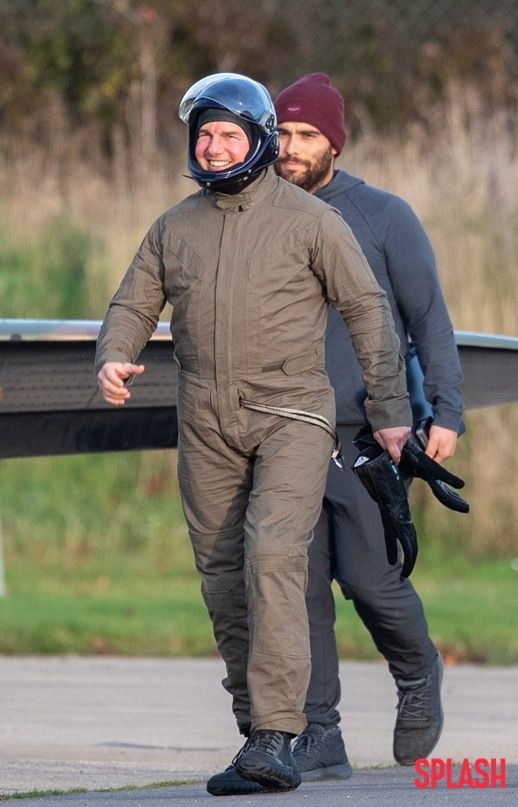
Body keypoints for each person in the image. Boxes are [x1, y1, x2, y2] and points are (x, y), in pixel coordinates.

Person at [95, 72, 412, 796]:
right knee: (222, 575)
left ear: (260, 140)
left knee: (271, 552)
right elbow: (132, 304)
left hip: (292, 414)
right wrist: (114, 354)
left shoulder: (311, 221)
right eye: (203, 134)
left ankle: (277, 732)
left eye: (227, 134)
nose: (212, 146)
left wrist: (391, 408)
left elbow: (367, 309)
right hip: (204, 421)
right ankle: (255, 735)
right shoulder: (174, 226)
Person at [273, 73, 464, 781]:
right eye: (282, 133)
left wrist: (445, 411)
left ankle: (417, 672)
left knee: (370, 580)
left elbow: (429, 319)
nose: (290, 148)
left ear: (334, 143)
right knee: (297, 588)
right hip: (283, 431)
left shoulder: (383, 216)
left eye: (306, 135)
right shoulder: (259, 213)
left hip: (365, 433)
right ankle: (319, 733)